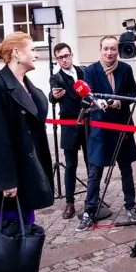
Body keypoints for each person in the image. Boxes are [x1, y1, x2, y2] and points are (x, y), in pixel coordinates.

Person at [0, 31, 54, 272]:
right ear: (16, 53)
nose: (36, 54)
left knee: (25, 226)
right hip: (9, 176)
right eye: (32, 49)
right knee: (12, 230)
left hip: (27, 171)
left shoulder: (25, 84)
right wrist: (7, 181)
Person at [76, 35, 136, 231]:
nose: (109, 52)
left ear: (118, 51)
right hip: (101, 128)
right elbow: (87, 96)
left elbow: (133, 93)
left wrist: (119, 102)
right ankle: (89, 211)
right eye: (106, 48)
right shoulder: (91, 70)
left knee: (126, 170)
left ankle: (131, 206)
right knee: (95, 172)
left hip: (122, 127)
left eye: (113, 49)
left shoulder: (126, 69)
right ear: (100, 50)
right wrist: (98, 102)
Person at [49, 43, 87, 220]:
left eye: (66, 56)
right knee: (71, 166)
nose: (64, 60)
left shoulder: (83, 71)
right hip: (69, 126)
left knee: (91, 163)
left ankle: (93, 198)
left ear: (71, 55)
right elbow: (52, 95)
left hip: (87, 123)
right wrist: (54, 95)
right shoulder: (56, 78)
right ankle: (69, 203)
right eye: (60, 57)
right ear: (57, 59)